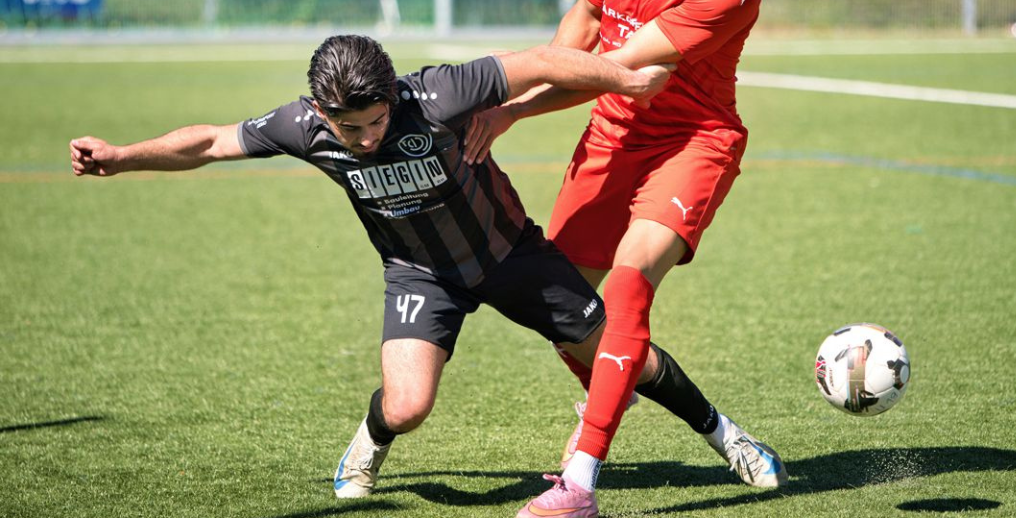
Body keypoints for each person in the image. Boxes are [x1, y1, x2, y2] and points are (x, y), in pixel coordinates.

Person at [69, 35, 691, 499]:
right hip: (420, 273)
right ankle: (371, 438)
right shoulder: (299, 125)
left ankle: (725, 436)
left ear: (392, 95)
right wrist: (122, 156)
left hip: (510, 253)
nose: (364, 139)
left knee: (618, 355)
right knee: (408, 406)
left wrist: (626, 81)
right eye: (347, 128)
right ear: (319, 110)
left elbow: (542, 60)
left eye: (375, 122)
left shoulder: (438, 94)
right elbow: (211, 141)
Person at [461, 0, 788, 518]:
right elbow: (581, 26)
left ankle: (579, 483)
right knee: (564, 312)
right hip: (613, 134)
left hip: (693, 141)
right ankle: (719, 430)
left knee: (630, 282)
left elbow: (613, 64)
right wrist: (515, 96)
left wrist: (514, 106)